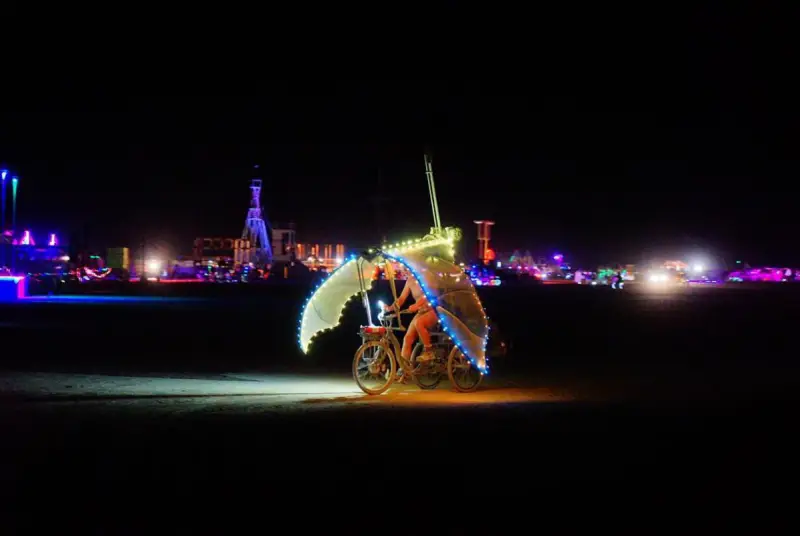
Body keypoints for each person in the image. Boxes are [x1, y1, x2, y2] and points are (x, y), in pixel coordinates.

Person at [384, 275, 437, 368]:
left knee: (419, 323)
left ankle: (429, 351)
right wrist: (390, 308)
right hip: (421, 312)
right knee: (407, 339)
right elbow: (401, 298)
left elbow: (428, 295)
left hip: (434, 310)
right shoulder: (410, 280)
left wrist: (417, 305)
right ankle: (404, 370)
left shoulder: (426, 277)